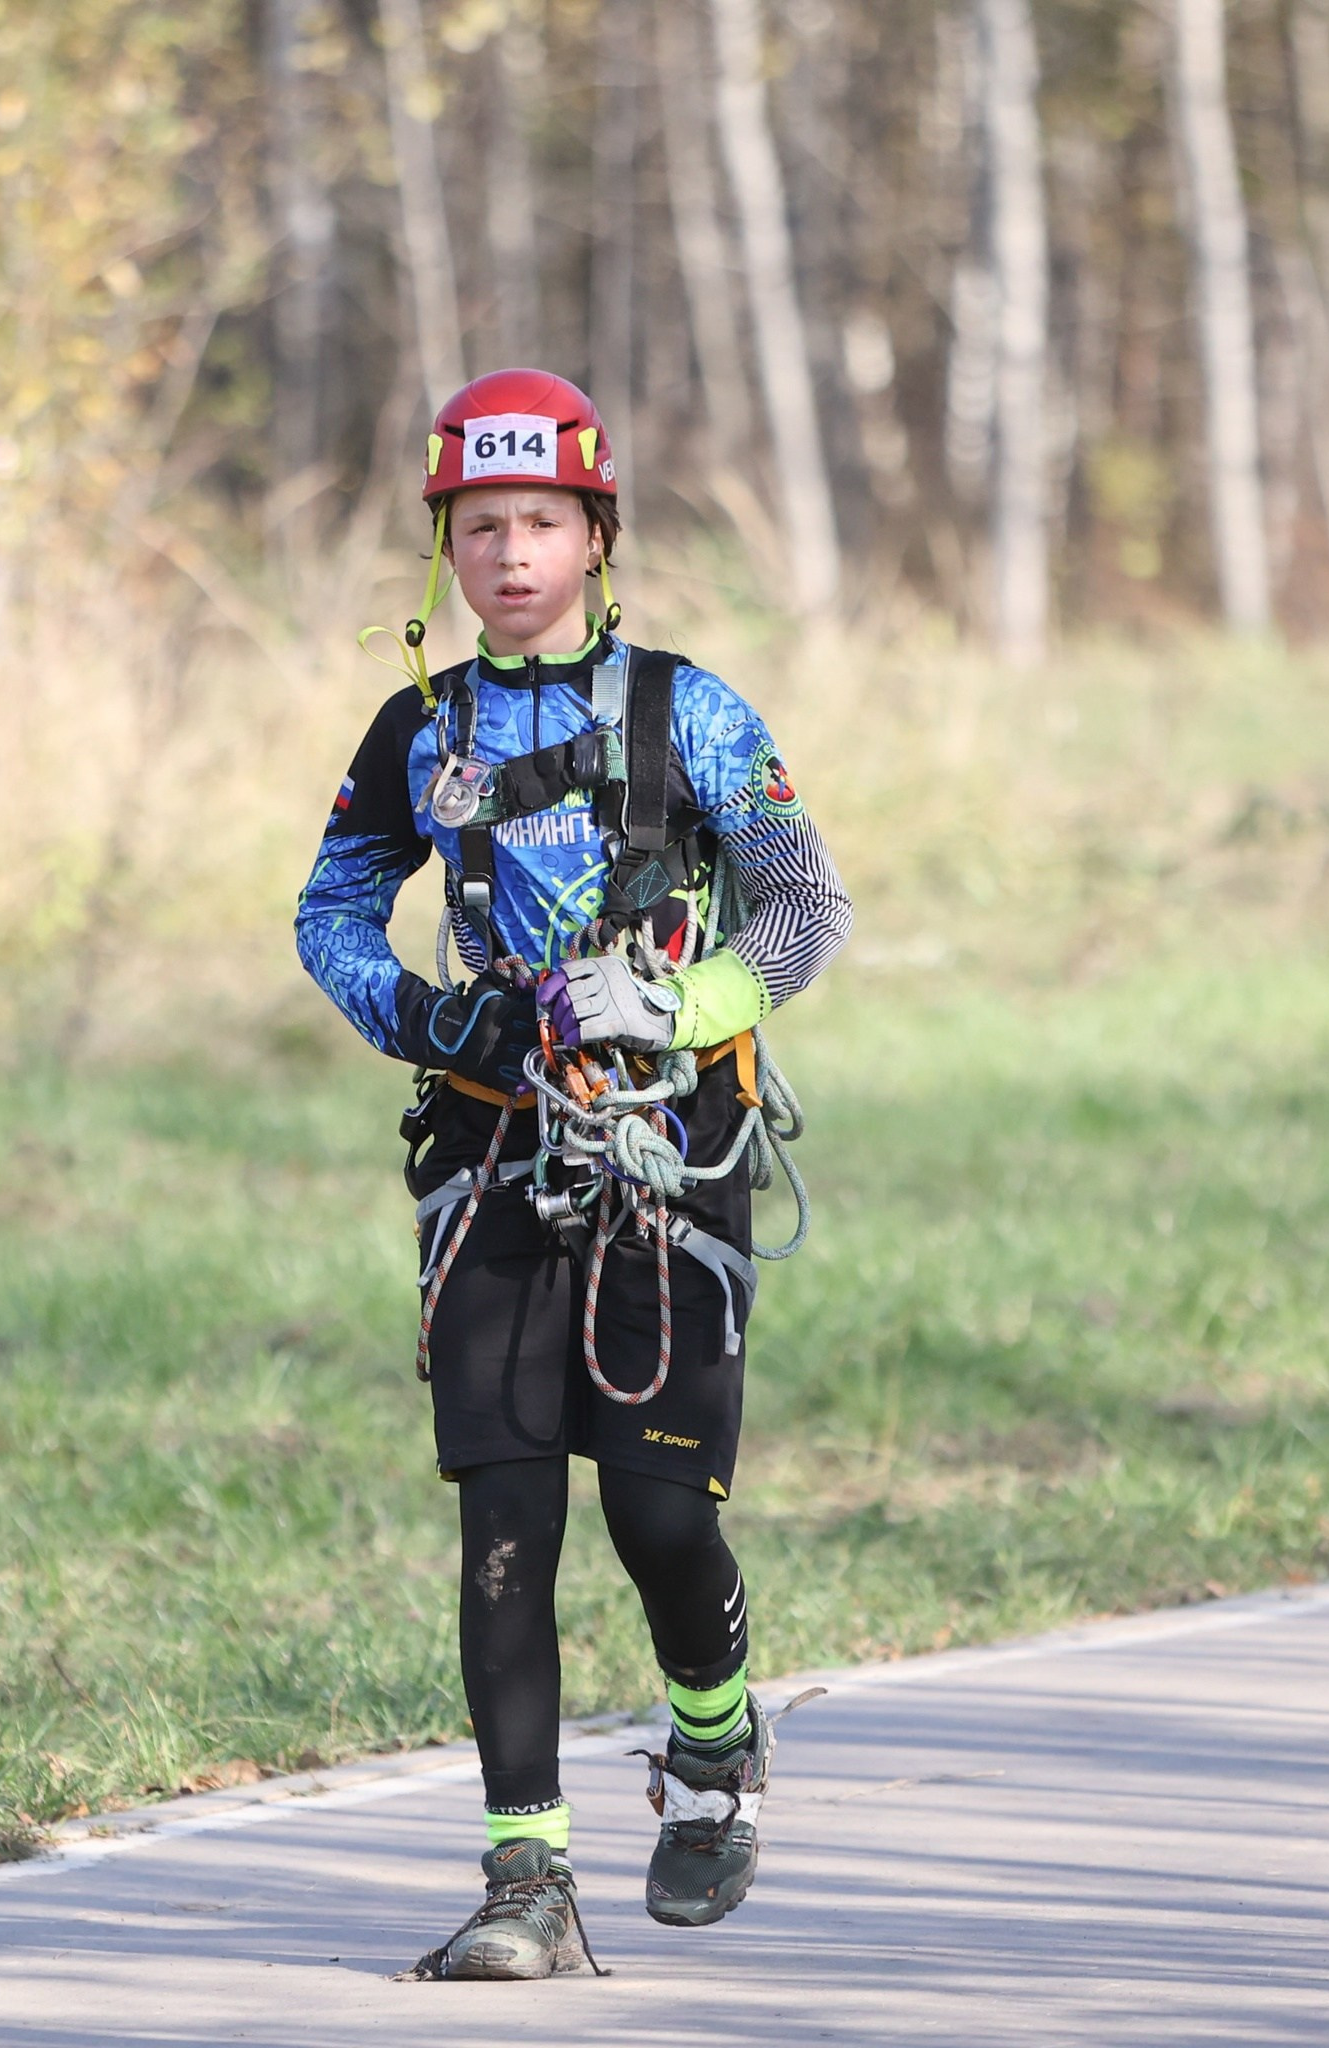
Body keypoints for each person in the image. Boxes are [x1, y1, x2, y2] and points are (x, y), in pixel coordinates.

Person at [293, 368, 852, 1979]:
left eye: (542, 522)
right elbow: (328, 914)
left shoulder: (697, 712)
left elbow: (807, 911)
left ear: (596, 534)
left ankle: (715, 1746)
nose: (512, 553)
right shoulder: (418, 731)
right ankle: (525, 1880)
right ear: (446, 551)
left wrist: (683, 1002)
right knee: (505, 1525)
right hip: (490, 1162)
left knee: (662, 1521)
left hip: (674, 1153)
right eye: (482, 527)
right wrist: (421, 1014)